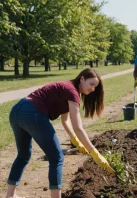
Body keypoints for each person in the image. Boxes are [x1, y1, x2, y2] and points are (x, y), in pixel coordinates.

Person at [6, 68, 114, 198]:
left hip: (17, 111)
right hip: (33, 113)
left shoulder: (67, 88)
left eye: (95, 87)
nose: (93, 89)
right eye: (91, 84)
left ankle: (10, 195)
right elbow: (78, 127)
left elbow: (65, 120)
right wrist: (95, 153)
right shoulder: (72, 92)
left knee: (23, 155)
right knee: (57, 158)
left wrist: (75, 140)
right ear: (82, 79)